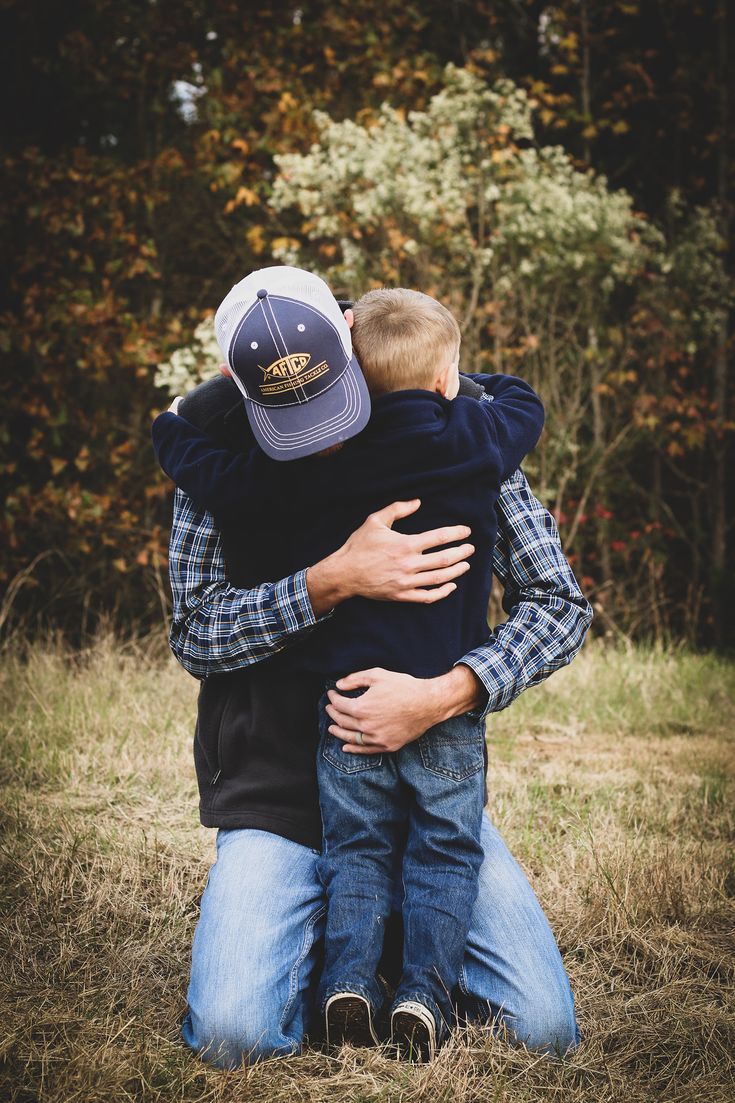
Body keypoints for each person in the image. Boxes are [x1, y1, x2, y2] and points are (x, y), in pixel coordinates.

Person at [163, 273, 593, 1070]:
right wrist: (331, 580)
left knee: (542, 1030)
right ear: (237, 384)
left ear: (351, 334)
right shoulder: (217, 461)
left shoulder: (449, 430)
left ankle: (385, 933)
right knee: (235, 1033)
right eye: (292, 419)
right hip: (279, 788)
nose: (323, 438)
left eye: (335, 398)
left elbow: (559, 606)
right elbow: (193, 634)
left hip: (420, 778)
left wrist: (446, 692)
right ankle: (328, 930)